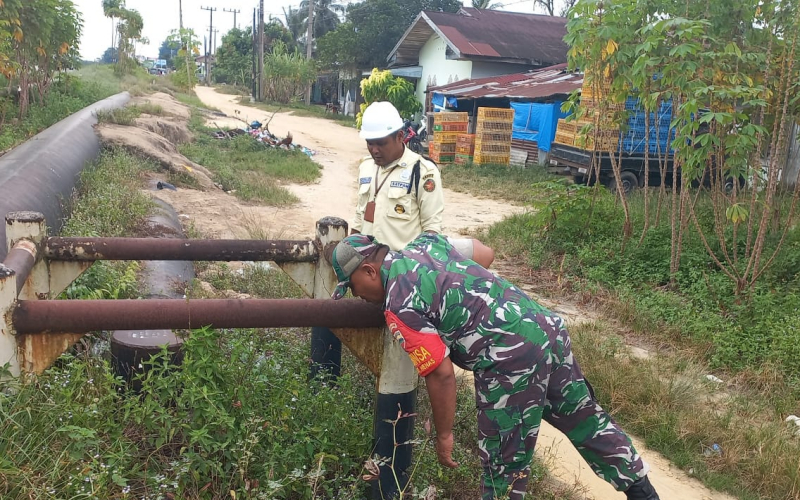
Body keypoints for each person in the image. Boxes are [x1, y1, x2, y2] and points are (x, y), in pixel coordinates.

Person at [329, 233, 661, 500]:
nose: (358, 296)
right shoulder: (426, 243)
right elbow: (484, 253)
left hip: (509, 360)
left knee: (503, 464)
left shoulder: (400, 306)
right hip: (544, 329)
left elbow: (441, 374)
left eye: (353, 287)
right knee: (584, 418)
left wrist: (444, 435)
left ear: (369, 271)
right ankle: (643, 493)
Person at [352, 101, 494, 267]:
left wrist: (419, 273)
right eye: (370, 143)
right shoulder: (366, 167)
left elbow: (431, 231)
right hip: (368, 269)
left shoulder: (423, 171)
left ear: (400, 136)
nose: (375, 150)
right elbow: (359, 218)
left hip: (403, 268)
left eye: (381, 143)